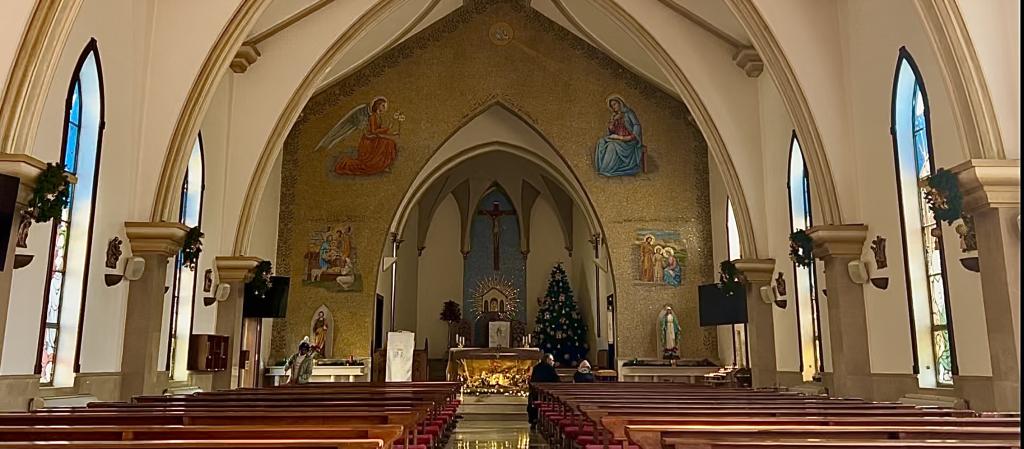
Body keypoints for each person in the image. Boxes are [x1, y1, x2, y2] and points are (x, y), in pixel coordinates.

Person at [527, 353, 559, 428]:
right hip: (547, 394)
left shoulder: (536, 367)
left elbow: (532, 380)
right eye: (552, 360)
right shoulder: (550, 368)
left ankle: (533, 420)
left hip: (535, 393)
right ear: (547, 360)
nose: (553, 362)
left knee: (532, 401)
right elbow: (556, 381)